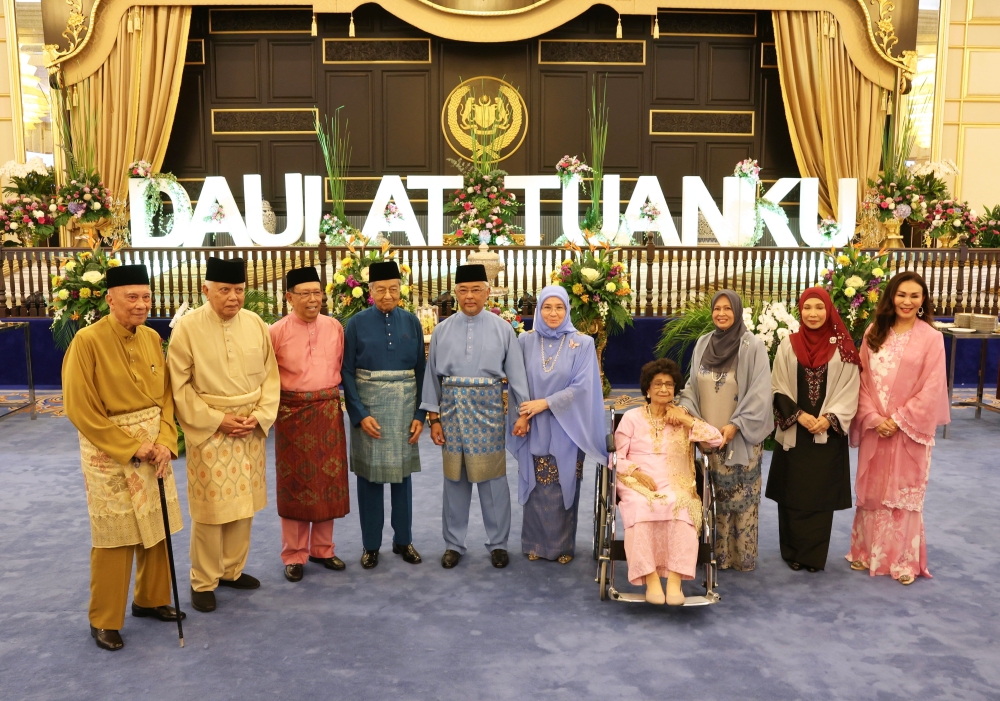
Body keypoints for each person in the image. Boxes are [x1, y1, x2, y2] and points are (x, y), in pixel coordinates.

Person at [62, 264, 184, 651]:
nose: (141, 304)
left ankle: (150, 599)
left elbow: (166, 396)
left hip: (154, 447)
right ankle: (104, 619)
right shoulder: (87, 340)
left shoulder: (151, 337)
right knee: (115, 534)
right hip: (109, 449)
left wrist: (166, 439)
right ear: (109, 299)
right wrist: (131, 447)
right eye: (132, 297)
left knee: (157, 525)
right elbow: (79, 408)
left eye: (146, 297)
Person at [168, 257, 280, 612]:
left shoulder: (256, 323)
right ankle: (203, 579)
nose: (233, 297)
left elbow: (270, 377)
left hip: (249, 429)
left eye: (239, 290)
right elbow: (179, 386)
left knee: (243, 505)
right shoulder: (187, 327)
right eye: (225, 290)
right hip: (210, 430)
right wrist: (217, 420)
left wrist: (260, 416)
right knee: (211, 509)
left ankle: (232, 570)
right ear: (206, 290)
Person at [420, 263, 529, 569]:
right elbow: (432, 377)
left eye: (476, 290)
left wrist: (522, 414)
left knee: (493, 479)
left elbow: (517, 376)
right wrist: (434, 419)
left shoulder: (503, 329)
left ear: (487, 292)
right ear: (455, 293)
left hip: (489, 411)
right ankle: (454, 543)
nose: (470, 296)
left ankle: (498, 544)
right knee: (454, 479)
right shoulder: (441, 330)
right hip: (452, 411)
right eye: (463, 290)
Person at [846, 271, 949, 584]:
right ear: (891, 296)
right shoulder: (874, 332)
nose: (907, 301)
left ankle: (902, 561)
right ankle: (866, 553)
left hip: (909, 431)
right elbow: (860, 380)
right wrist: (876, 419)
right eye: (901, 294)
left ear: (923, 300)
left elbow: (933, 387)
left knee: (903, 494)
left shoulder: (932, 338)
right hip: (876, 428)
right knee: (874, 491)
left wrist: (899, 419)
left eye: (914, 296)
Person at [509, 286, 607, 564]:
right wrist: (523, 415)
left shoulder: (583, 343)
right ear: (538, 310)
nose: (553, 313)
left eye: (559, 307)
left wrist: (546, 403)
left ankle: (563, 546)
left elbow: (583, 387)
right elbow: (518, 384)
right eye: (547, 307)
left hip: (568, 426)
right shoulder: (526, 341)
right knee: (537, 485)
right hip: (533, 424)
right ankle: (534, 543)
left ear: (567, 310)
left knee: (563, 483)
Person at [677, 289, 773, 571]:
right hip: (709, 439)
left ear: (738, 311)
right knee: (712, 496)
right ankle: (714, 554)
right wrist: (697, 423)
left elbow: (760, 392)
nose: (721, 313)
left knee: (740, 499)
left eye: (727, 308)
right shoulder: (704, 343)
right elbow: (692, 385)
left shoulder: (751, 346)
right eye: (717, 308)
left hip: (740, 435)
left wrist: (734, 426)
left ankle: (740, 557)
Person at [767, 287, 861, 572]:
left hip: (826, 435)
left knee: (819, 496)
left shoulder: (843, 347)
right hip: (797, 432)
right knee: (792, 493)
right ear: (800, 311)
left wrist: (830, 417)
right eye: (807, 308)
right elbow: (777, 385)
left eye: (819, 308)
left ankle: (813, 556)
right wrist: (799, 415)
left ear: (829, 310)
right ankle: (792, 551)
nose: (813, 314)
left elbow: (850, 388)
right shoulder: (788, 344)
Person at [615, 358, 723, 605]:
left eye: (669, 385)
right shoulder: (632, 418)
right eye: (658, 384)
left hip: (676, 480)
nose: (664, 389)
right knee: (642, 506)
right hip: (637, 479)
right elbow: (615, 456)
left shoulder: (682, 416)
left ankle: (674, 581)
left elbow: (716, 439)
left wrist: (685, 420)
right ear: (647, 389)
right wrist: (635, 472)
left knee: (683, 507)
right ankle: (651, 579)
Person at [342, 260, 425, 569]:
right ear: (370, 291)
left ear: (400, 290)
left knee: (402, 478)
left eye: (393, 288)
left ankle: (403, 540)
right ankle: (371, 545)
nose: (387, 295)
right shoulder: (356, 323)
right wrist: (360, 413)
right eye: (381, 289)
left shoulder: (412, 322)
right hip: (369, 408)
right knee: (370, 479)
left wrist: (419, 412)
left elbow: (421, 370)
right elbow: (347, 372)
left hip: (404, 406)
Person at [269, 266, 349, 583]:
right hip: (291, 414)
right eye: (304, 294)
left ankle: (323, 549)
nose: (312, 299)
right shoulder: (276, 331)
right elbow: (267, 375)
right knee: (296, 485)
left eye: (317, 292)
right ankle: (294, 554)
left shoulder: (334, 327)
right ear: (289, 298)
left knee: (327, 483)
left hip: (328, 412)